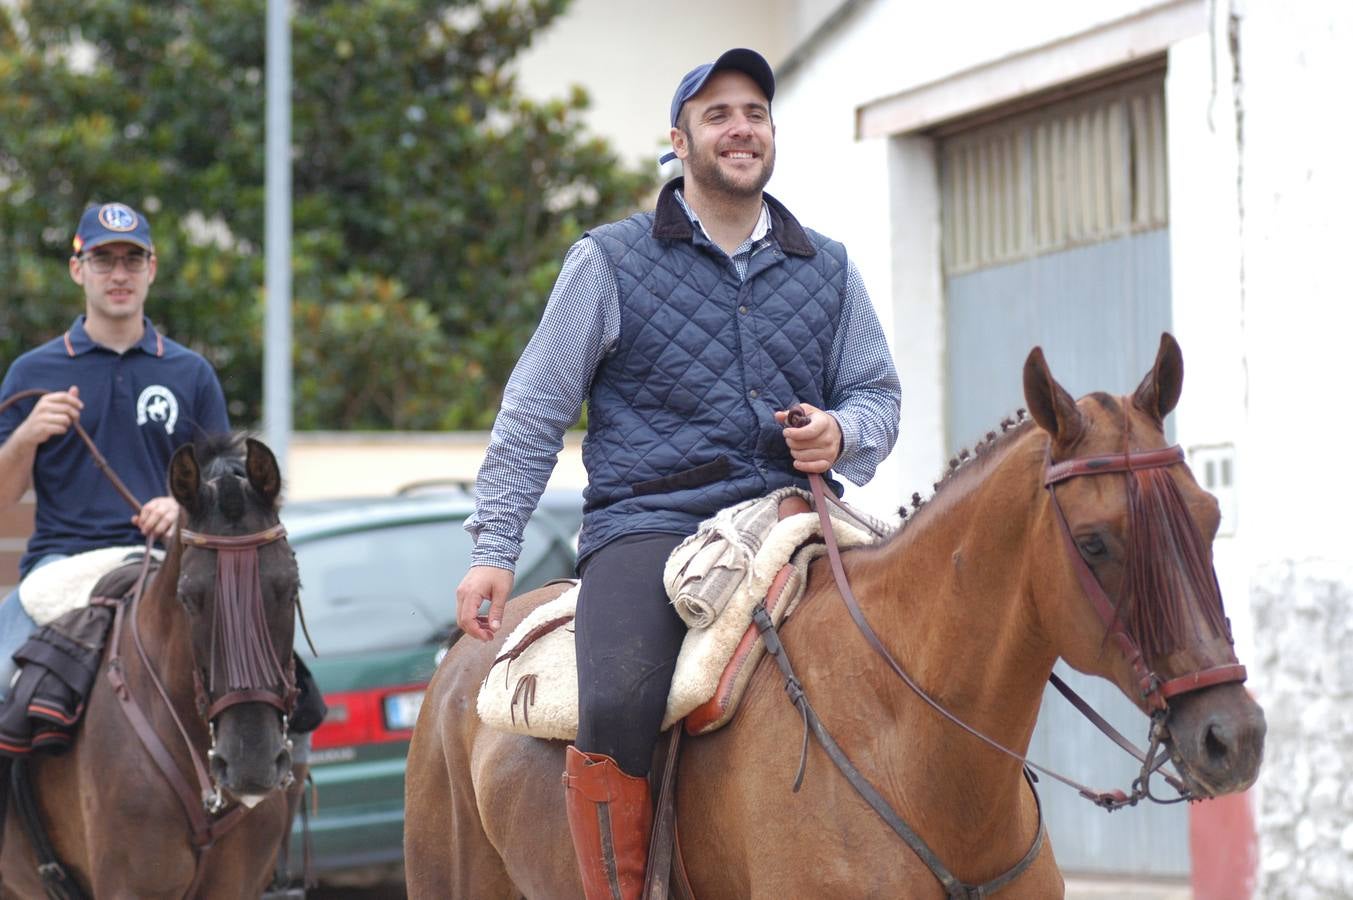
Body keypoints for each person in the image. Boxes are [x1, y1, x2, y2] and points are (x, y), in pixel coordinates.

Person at [455, 48, 901, 899]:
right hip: (650, 527)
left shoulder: (829, 266)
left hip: (796, 514)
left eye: (755, 113)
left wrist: (841, 435)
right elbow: (534, 410)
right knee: (619, 698)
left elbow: (875, 392)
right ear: (680, 141)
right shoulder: (608, 261)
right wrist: (493, 547)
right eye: (718, 114)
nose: (741, 128)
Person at [0, 201, 230, 701]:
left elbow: (225, 489)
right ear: (78, 269)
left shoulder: (191, 374)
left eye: (132, 259)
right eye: (104, 260)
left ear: (151, 269)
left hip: (167, 567)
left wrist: (183, 506)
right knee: (1, 679)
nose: (118, 274)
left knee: (281, 683)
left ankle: (287, 782)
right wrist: (27, 435)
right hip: (59, 569)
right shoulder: (30, 374)